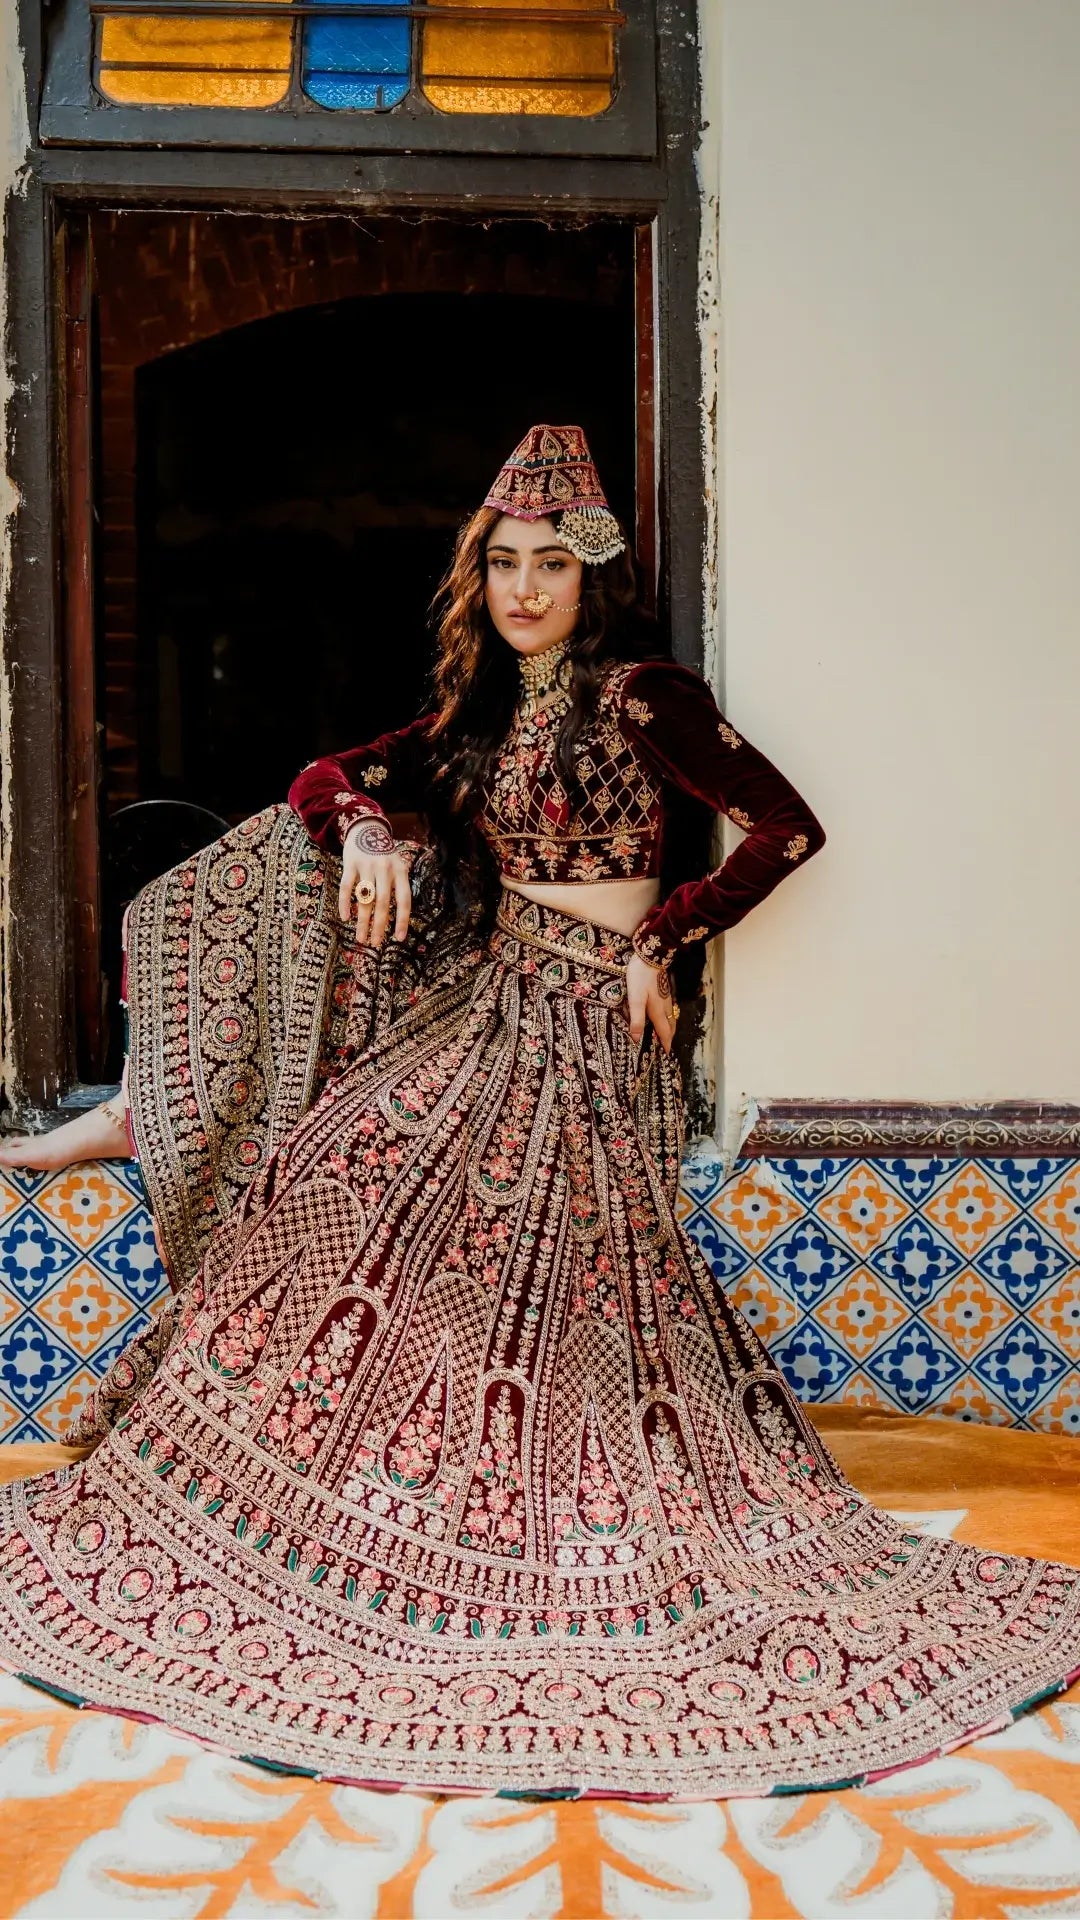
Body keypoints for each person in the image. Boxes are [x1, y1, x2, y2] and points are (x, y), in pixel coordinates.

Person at [0, 425, 1076, 1802]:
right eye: (503, 562)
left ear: (592, 575)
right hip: (484, 1003)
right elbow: (324, 779)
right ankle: (168, 1111)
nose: (522, 588)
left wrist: (666, 934)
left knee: (552, 1283)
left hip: (584, 1036)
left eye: (549, 564)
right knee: (325, 1161)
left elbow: (786, 827)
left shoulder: (645, 695)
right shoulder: (480, 712)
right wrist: (374, 832)